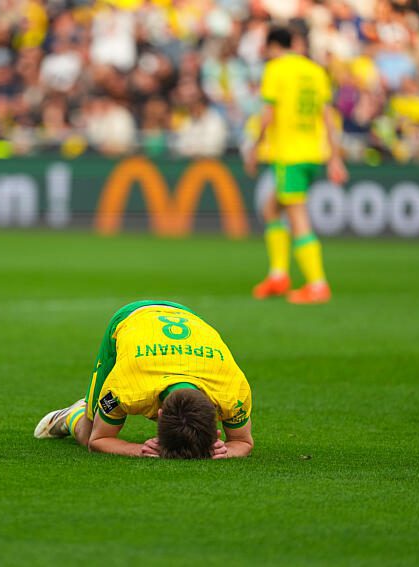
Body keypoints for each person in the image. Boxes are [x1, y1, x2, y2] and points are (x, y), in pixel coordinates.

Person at [34, 301, 254, 459]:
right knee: (86, 433)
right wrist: (137, 449)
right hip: (132, 317)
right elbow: (97, 441)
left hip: (189, 318)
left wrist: (228, 452)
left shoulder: (233, 390)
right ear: (158, 415)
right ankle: (73, 414)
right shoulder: (125, 387)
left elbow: (243, 442)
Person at [244, 27, 348, 305]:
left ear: (272, 46)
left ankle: (317, 283)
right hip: (314, 154)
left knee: (297, 216)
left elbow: (268, 115)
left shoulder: (276, 69)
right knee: (271, 207)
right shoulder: (316, 71)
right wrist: (335, 156)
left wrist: (254, 148)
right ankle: (278, 275)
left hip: (289, 154)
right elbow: (327, 117)